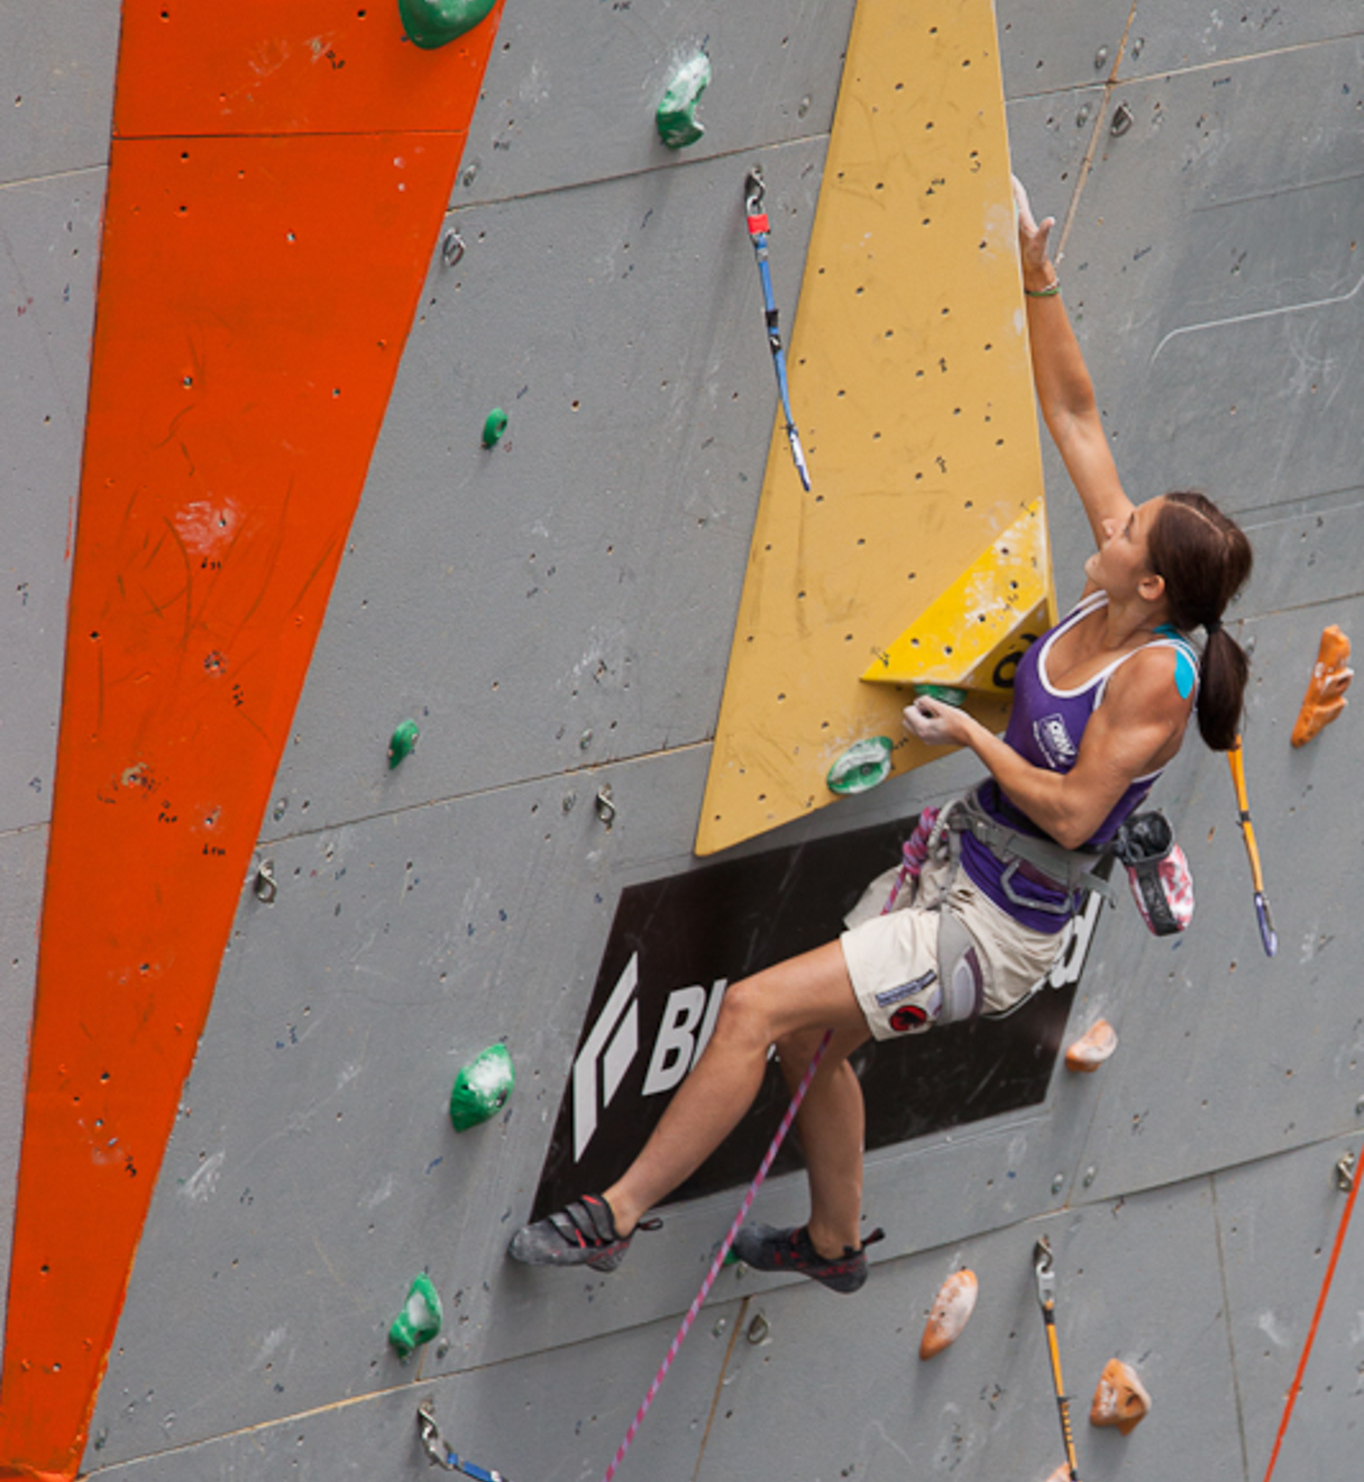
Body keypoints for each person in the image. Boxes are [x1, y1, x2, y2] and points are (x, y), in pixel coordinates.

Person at [509, 179, 1253, 1293]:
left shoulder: (1152, 675)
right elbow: (1075, 413)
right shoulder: (1118, 596)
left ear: (1151, 584)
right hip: (958, 869)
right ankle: (834, 1244)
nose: (1111, 518)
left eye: (1129, 527)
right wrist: (1036, 276)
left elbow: (1068, 813)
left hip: (993, 929)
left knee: (755, 1009)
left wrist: (970, 734)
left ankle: (612, 1215)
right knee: (811, 1045)